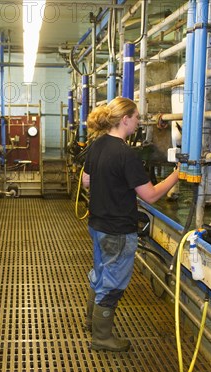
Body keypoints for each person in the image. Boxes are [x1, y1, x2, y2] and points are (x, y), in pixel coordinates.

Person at [81, 96, 179, 352]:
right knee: (113, 281)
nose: (138, 122)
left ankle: (91, 321)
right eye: (136, 118)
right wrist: (177, 175)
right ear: (125, 120)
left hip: (97, 224)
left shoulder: (97, 145)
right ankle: (102, 337)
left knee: (101, 272)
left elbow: (86, 182)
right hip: (119, 230)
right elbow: (151, 195)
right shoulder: (127, 154)